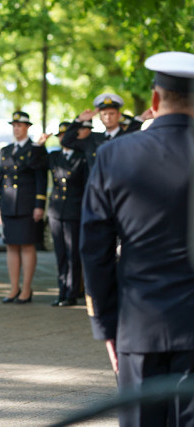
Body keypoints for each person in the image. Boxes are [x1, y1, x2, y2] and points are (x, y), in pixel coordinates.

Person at [81, 51, 194, 426]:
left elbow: (94, 250)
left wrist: (107, 327)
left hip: (139, 323)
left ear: (155, 100)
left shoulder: (114, 154)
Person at [0, 112, 48, 304]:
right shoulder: (6, 150)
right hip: (9, 205)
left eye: (20, 125)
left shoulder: (36, 149)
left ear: (27, 127)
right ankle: (13, 287)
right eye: (14, 125)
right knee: (11, 246)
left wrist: (39, 205)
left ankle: (26, 289)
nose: (16, 128)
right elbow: (1, 178)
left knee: (27, 245)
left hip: (27, 204)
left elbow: (40, 178)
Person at [40, 122, 88, 307]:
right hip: (57, 209)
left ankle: (73, 292)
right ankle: (62, 291)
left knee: (73, 253)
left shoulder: (81, 157)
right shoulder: (54, 156)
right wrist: (39, 145)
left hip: (74, 209)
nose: (62, 139)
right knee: (60, 253)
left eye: (65, 136)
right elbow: (35, 163)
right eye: (59, 136)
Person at [61, 93, 151, 171]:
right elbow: (66, 141)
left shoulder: (126, 137)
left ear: (119, 115)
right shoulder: (92, 139)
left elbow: (126, 137)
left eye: (111, 113)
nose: (108, 117)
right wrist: (79, 120)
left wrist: (140, 120)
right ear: (100, 117)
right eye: (104, 114)